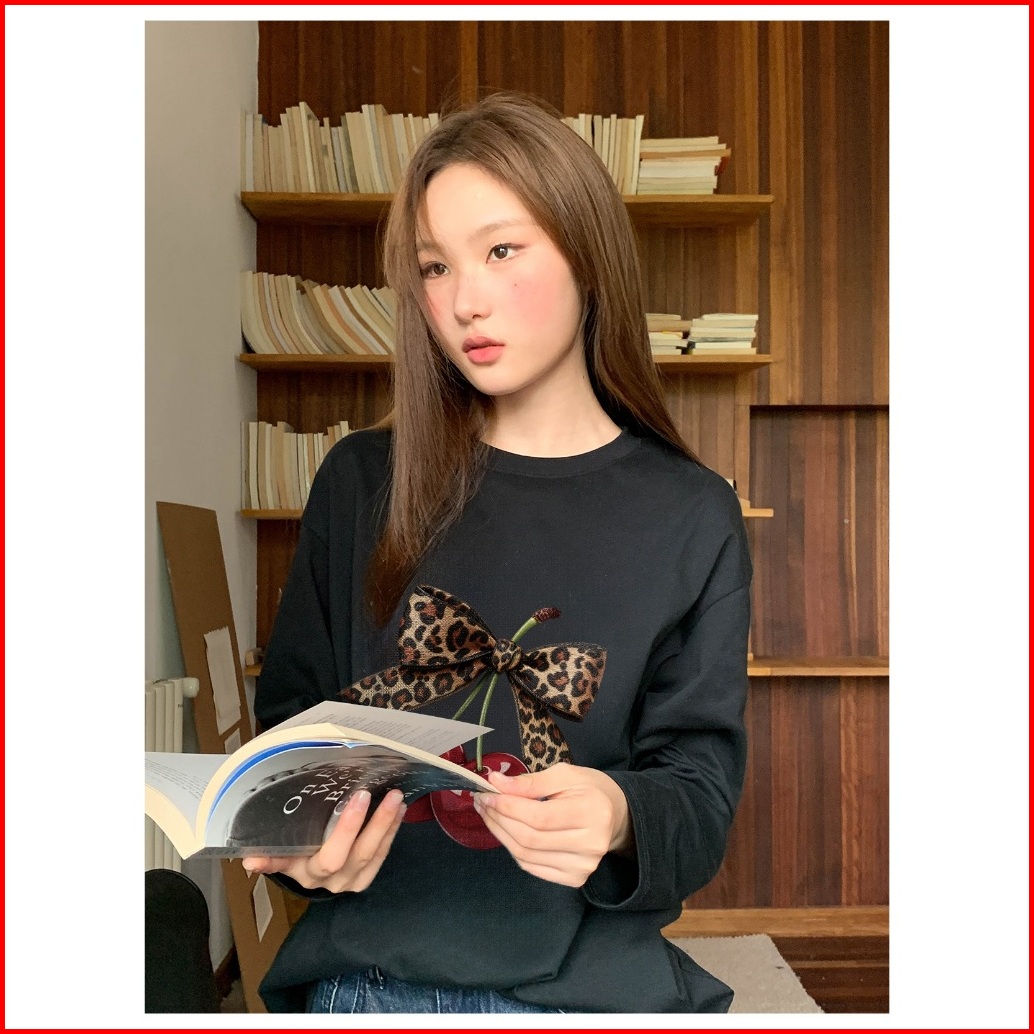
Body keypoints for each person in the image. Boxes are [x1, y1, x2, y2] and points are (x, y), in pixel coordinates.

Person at [249, 91, 752, 1014]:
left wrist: (618, 815)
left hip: (591, 988)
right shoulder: (360, 483)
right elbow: (287, 735)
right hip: (373, 979)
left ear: (587, 253)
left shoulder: (693, 514)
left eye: (502, 250)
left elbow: (698, 797)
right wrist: (300, 841)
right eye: (434, 266)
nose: (463, 301)